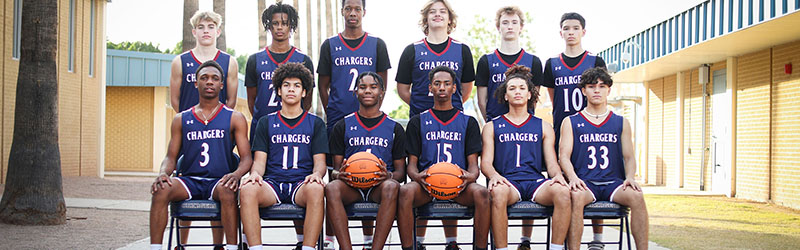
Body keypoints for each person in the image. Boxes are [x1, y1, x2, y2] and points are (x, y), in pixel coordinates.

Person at [150, 60, 252, 250]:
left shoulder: (234, 117)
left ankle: (228, 247)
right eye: (204, 78)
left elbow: (246, 158)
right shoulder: (181, 118)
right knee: (161, 189)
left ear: (222, 84)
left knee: (228, 190)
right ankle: (155, 248)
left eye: (215, 78)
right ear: (196, 83)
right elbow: (170, 157)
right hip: (189, 180)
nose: (209, 82)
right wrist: (163, 173)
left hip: (218, 180)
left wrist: (236, 175)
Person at [316, 1, 392, 247]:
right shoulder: (330, 45)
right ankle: (330, 238)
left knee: (367, 169)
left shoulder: (377, 44)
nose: (352, 13)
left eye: (356, 9)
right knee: (338, 177)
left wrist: (373, 107)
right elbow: (323, 84)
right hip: (340, 118)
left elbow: (383, 82)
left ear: (363, 12)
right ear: (342, 12)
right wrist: (334, 110)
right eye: (347, 8)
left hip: (370, 117)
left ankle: (369, 239)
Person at [397, 66, 489, 250]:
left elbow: (474, 168)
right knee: (405, 192)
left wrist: (468, 178)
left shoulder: (468, 122)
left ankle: (480, 247)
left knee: (482, 193)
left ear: (454, 88)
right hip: (427, 186)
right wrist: (418, 177)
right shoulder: (418, 121)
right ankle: (410, 247)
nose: (441, 88)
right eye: (437, 84)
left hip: (459, 186)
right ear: (429, 88)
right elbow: (411, 166)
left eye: (447, 84)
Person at [481, 65, 571, 250]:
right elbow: (486, 163)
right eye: (512, 89)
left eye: (522, 88)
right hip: (509, 182)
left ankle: (556, 248)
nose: (517, 92)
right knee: (497, 193)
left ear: (530, 94)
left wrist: (558, 176)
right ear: (505, 95)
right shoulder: (492, 126)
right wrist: (495, 176)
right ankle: (502, 248)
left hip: (535, 182)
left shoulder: (544, 126)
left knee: (563, 192)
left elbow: (552, 163)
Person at [558, 67, 649, 250]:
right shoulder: (571, 121)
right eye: (592, 86)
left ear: (609, 89)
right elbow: (564, 157)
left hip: (613, 182)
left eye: (602, 86)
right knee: (575, 196)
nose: (597, 90)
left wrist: (630, 177)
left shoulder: (621, 122)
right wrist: (574, 178)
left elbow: (629, 157)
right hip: (585, 183)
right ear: (584, 91)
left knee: (637, 196)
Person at [239, 63, 327, 250]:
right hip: (273, 185)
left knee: (316, 189)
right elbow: (259, 161)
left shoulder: (316, 123)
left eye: (297, 86)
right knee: (248, 189)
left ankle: (308, 247)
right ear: (279, 90)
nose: (291, 89)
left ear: (304, 92)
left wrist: (317, 175)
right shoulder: (266, 122)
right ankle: (255, 247)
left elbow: (320, 163)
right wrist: (255, 174)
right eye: (286, 85)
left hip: (300, 184)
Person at [541, 13, 607, 248]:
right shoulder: (552, 63)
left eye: (575, 28)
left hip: (591, 129)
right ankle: (567, 240)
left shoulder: (595, 59)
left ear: (583, 32)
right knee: (567, 189)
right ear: (561, 33)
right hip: (563, 130)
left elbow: (601, 93)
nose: (571, 32)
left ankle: (597, 239)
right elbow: (553, 97)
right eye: (566, 28)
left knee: (595, 179)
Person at [325, 72, 406, 250]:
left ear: (382, 93)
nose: (367, 91)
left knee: (392, 186)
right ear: (356, 92)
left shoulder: (394, 128)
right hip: (351, 187)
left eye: (373, 87)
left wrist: (388, 175)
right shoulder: (342, 125)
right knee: (331, 188)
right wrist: (341, 174)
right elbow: (334, 171)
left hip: (379, 187)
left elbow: (401, 173)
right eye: (362, 87)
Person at [246, 2, 315, 142]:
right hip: (262, 128)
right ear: (269, 26)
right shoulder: (255, 60)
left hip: (294, 129)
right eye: (275, 23)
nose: (279, 27)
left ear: (291, 26)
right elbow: (252, 100)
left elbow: (307, 101)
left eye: (284, 23)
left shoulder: (303, 60)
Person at [396, 0, 475, 118]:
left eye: (442, 11)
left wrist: (445, 105)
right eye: (432, 12)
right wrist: (419, 105)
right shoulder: (411, 50)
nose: (437, 14)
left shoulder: (462, 50)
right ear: (426, 19)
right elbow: (403, 90)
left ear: (449, 19)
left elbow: (466, 90)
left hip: (454, 119)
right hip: (420, 117)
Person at [475, 6, 543, 122]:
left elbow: (533, 100)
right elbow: (482, 101)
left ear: (521, 27)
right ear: (498, 27)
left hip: (525, 127)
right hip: (495, 125)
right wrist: (492, 124)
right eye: (505, 23)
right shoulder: (486, 61)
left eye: (514, 22)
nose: (510, 27)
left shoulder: (533, 62)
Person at [170, 10, 238, 113]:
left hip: (218, 126)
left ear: (218, 32)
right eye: (201, 27)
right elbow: (175, 100)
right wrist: (186, 120)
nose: (206, 31)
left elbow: (231, 100)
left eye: (210, 27)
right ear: (194, 32)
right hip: (189, 125)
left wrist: (220, 119)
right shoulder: (180, 62)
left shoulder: (230, 62)